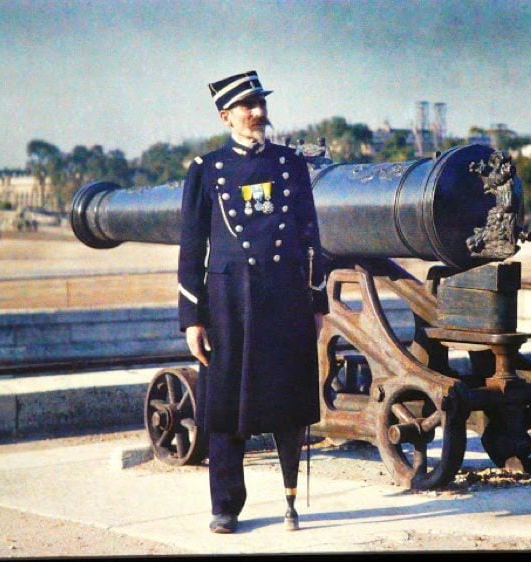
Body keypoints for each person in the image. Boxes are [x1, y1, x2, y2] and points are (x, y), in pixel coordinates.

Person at [177, 70, 328, 534]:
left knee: (287, 399)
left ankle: (289, 497)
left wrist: (317, 301)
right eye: (247, 105)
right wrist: (191, 319)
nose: (258, 112)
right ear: (227, 116)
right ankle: (226, 505)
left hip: (284, 299)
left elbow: (310, 236)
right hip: (227, 303)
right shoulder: (206, 169)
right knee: (225, 406)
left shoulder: (290, 164)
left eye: (260, 102)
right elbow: (191, 246)